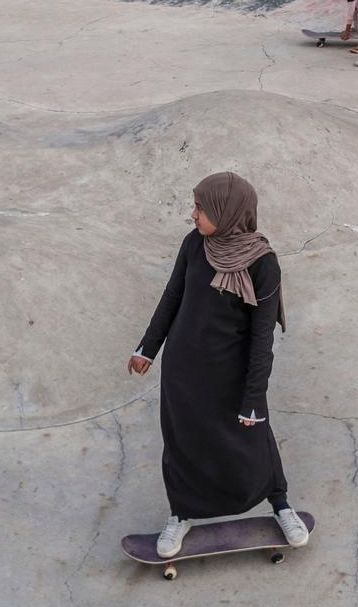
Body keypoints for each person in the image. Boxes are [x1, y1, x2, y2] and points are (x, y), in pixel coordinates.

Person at [127, 172, 309, 559]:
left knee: (251, 441)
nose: (192, 214)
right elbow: (172, 296)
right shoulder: (194, 245)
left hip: (232, 373)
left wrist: (254, 396)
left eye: (200, 207)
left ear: (227, 213)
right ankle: (181, 513)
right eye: (194, 205)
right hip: (183, 370)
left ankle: (280, 505)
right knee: (183, 444)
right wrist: (147, 348)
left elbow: (262, 338)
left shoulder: (263, 264)